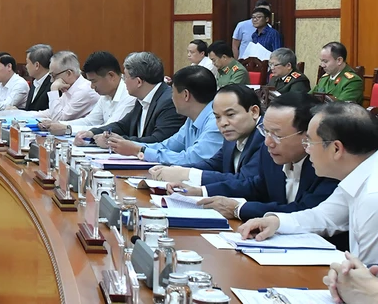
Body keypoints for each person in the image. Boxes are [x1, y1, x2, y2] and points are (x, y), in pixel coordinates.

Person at [238, 102, 378, 264]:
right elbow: (325, 216)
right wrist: (277, 221)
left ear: (336, 149)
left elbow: (369, 275)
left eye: (310, 142)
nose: (307, 149)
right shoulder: (358, 174)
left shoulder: (372, 196)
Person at [192, 91, 338, 221]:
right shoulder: (268, 151)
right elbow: (256, 186)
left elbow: (305, 212)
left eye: (277, 134)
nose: (268, 142)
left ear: (309, 135)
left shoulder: (327, 164)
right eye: (266, 131)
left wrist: (239, 209)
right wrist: (202, 191)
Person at [106, 65, 223, 166]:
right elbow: (167, 146)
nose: (171, 97)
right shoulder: (192, 119)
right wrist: (127, 145)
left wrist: (139, 150)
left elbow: (192, 159)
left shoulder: (216, 121)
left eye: (173, 92)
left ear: (186, 95)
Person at [150, 84, 264, 186]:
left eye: (230, 114)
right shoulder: (234, 134)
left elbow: (244, 180)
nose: (223, 123)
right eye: (217, 117)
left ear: (254, 112)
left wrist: (187, 174)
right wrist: (175, 170)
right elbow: (213, 164)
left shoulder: (265, 138)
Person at [75, 52, 184, 146]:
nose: (123, 81)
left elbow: (159, 141)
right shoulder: (142, 99)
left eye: (125, 77)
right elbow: (122, 126)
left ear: (138, 82)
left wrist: (116, 142)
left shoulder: (169, 101)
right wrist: (92, 133)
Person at [39, 51, 135, 137]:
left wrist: (68, 129)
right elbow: (90, 121)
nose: (92, 87)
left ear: (111, 76)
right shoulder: (105, 95)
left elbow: (110, 129)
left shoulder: (129, 95)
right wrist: (57, 124)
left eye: (94, 81)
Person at [30, 51, 99, 122]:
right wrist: (22, 114)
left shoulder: (84, 91)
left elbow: (58, 119)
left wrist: (54, 89)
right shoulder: (70, 87)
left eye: (53, 75)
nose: (51, 80)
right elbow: (51, 112)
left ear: (68, 73)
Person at [22, 44, 54, 112]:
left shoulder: (53, 84)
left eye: (27, 63)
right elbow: (30, 109)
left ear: (37, 65)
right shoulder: (35, 82)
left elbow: (51, 112)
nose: (26, 66)